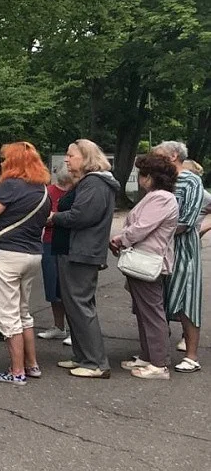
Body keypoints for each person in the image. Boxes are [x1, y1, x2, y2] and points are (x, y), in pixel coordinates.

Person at [0, 142, 52, 385]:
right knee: (23, 312)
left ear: (13, 162)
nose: (1, 163)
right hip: (33, 254)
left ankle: (16, 371)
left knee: (8, 315)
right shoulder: (42, 190)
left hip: (8, 254)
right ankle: (32, 364)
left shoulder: (10, 186)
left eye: (4, 159)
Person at [51, 139, 120, 378]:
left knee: (80, 306)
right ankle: (82, 356)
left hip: (81, 251)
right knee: (74, 306)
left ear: (86, 157)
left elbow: (82, 216)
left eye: (71, 155)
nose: (66, 160)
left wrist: (54, 217)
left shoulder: (95, 183)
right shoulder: (89, 182)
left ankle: (96, 363)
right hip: (74, 250)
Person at [111, 154, 179, 380]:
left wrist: (121, 238)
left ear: (150, 177)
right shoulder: (158, 197)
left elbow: (142, 227)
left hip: (149, 260)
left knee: (151, 313)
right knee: (144, 311)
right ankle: (148, 356)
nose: (140, 178)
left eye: (142, 173)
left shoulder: (161, 198)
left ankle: (158, 363)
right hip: (144, 259)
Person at [153, 141, 204, 372]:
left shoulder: (191, 181)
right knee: (158, 298)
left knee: (188, 299)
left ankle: (191, 356)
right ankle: (156, 352)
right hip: (161, 247)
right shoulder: (161, 179)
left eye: (159, 154)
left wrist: (155, 228)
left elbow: (188, 220)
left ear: (174, 156)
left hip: (184, 249)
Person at [38, 165, 74, 344]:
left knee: (70, 289)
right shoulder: (49, 192)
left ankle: (75, 331)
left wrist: (55, 217)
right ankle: (59, 326)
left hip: (71, 242)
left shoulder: (79, 191)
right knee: (53, 286)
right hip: (50, 241)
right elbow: (42, 217)